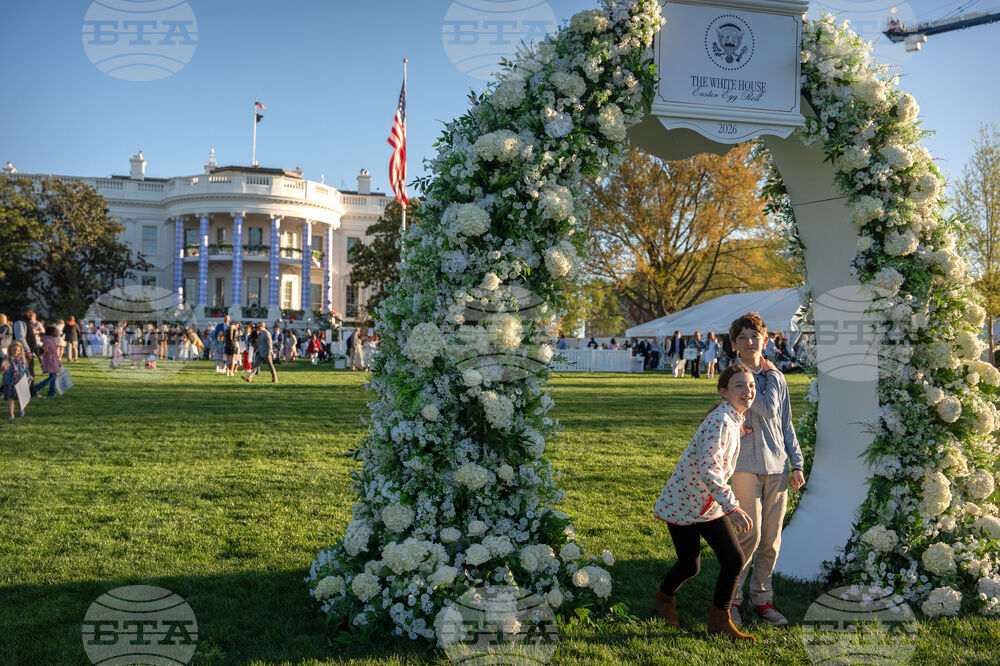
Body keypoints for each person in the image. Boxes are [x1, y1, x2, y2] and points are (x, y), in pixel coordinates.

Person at [652, 363, 757, 644]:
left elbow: (721, 445)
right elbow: (708, 468)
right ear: (724, 391)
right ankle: (664, 598)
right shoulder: (721, 420)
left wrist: (741, 431)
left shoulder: (732, 418)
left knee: (733, 558)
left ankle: (719, 620)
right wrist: (732, 507)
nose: (747, 390)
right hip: (684, 503)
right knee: (689, 564)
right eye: (739, 386)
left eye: (751, 386)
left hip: (708, 503)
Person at [727, 312, 806, 627]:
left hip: (777, 468)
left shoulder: (778, 377)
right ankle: (730, 600)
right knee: (750, 535)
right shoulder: (734, 376)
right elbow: (764, 407)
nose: (749, 342)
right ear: (734, 345)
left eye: (754, 336)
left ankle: (761, 600)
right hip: (745, 466)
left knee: (771, 540)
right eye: (743, 337)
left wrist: (796, 462)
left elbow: (784, 420)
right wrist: (769, 377)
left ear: (765, 339)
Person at [34, 325, 63, 398]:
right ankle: (36, 388)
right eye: (56, 331)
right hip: (50, 360)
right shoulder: (48, 340)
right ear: (52, 332)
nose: (57, 332)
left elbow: (54, 352)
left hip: (53, 360)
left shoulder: (52, 339)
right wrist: (43, 351)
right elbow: (44, 349)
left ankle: (51, 392)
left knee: (53, 376)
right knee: (53, 376)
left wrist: (58, 362)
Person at [2, 341, 28, 420]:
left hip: (20, 382)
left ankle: (21, 409)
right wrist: (2, 368)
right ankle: (11, 415)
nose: (16, 352)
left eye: (18, 350)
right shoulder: (6, 361)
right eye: (13, 350)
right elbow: (2, 370)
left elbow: (26, 370)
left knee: (19, 398)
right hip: (10, 383)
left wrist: (29, 376)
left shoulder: (23, 360)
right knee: (10, 398)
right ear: (10, 350)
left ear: (20, 351)